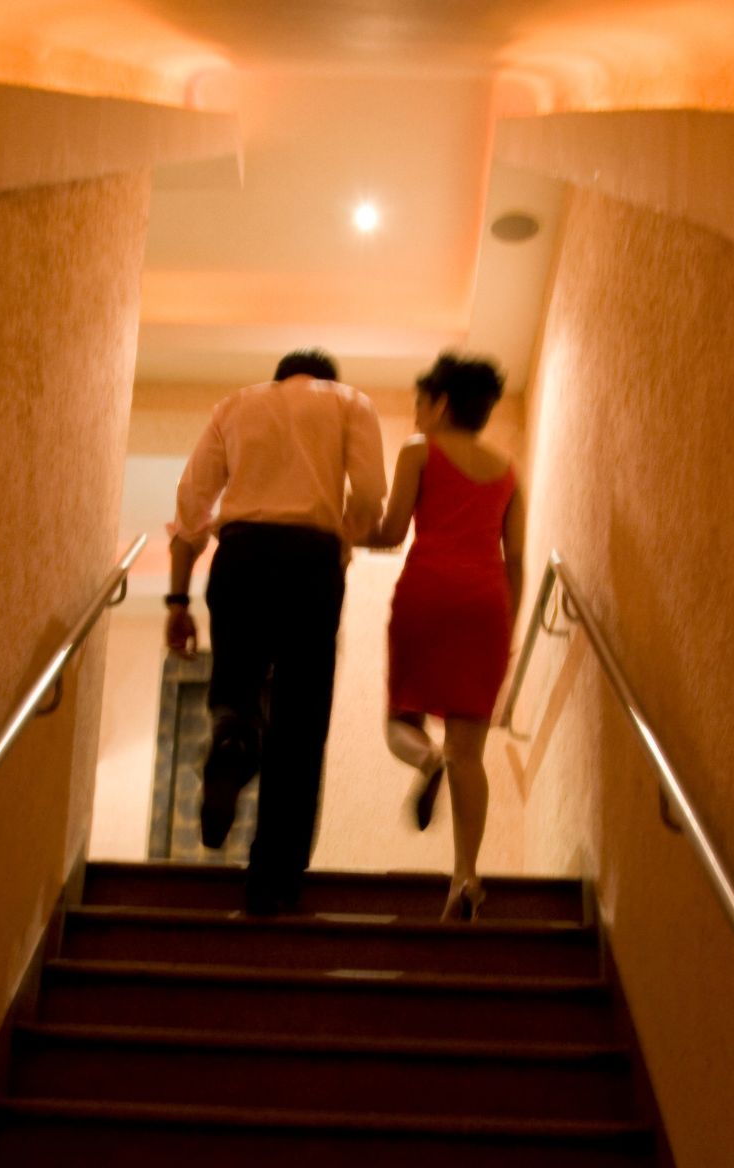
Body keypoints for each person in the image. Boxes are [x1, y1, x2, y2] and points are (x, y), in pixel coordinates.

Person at [166, 349, 387, 915]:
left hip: (240, 555)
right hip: (309, 561)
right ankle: (274, 880)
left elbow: (191, 506)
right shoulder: (350, 404)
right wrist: (343, 542)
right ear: (326, 376)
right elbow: (365, 494)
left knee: (236, 685)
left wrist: (175, 600)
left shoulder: (235, 405)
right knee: (300, 720)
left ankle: (233, 739)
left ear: (280, 373)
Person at [363, 354, 525, 921]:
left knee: (398, 723)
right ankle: (465, 877)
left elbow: (389, 531)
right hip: (485, 609)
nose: (416, 413)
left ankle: (426, 763)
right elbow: (517, 562)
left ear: (441, 403)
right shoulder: (508, 470)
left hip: (428, 594)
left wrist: (339, 526)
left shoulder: (419, 450)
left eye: (420, 402)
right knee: (471, 754)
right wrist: (506, 633)